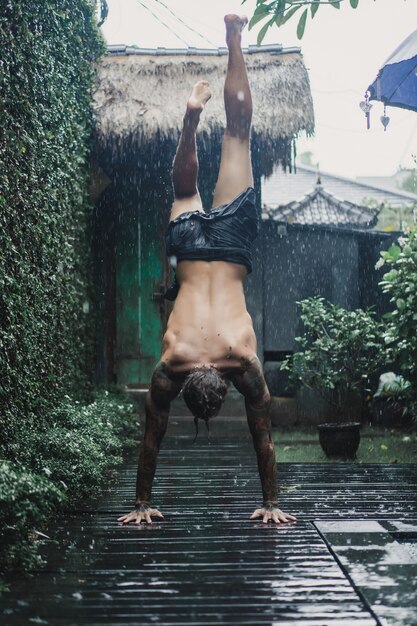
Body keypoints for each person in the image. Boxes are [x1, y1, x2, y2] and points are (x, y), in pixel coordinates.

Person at [118, 15, 296, 526]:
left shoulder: (242, 360)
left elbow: (263, 436)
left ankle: (234, 39)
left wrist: (272, 504)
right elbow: (153, 434)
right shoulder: (173, 361)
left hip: (233, 250)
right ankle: (190, 121)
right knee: (183, 193)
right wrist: (141, 504)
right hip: (192, 252)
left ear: (220, 384)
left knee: (239, 135)